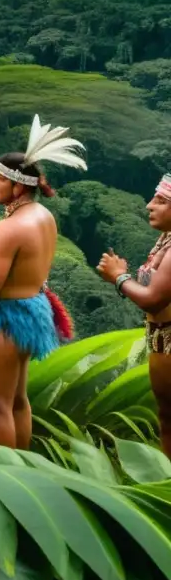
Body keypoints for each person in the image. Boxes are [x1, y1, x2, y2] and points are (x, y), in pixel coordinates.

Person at [0, 115, 85, 449]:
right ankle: (24, 470)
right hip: (33, 309)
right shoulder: (43, 217)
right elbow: (23, 267)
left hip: (5, 318)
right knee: (18, 400)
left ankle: (2, 482)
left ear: (18, 186)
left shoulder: (7, 227)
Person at [97, 173, 171, 456]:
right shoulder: (165, 240)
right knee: (166, 419)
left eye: (161, 201)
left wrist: (118, 276)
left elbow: (153, 299)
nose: (149, 205)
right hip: (161, 340)